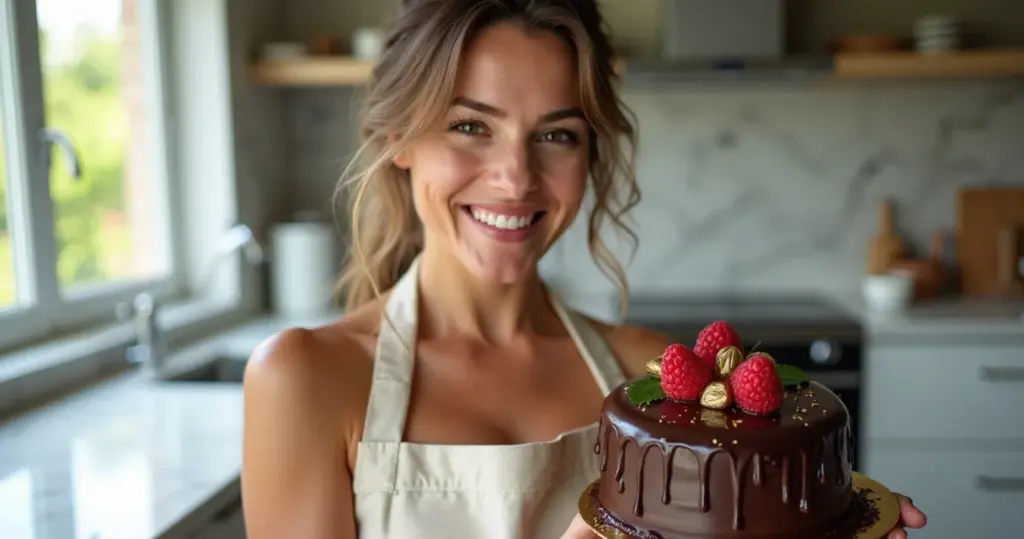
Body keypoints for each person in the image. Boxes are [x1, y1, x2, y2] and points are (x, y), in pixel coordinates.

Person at [240, 1, 928, 537]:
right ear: (399, 140)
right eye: (470, 125)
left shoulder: (651, 376)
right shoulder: (305, 382)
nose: (516, 178)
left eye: (557, 135)